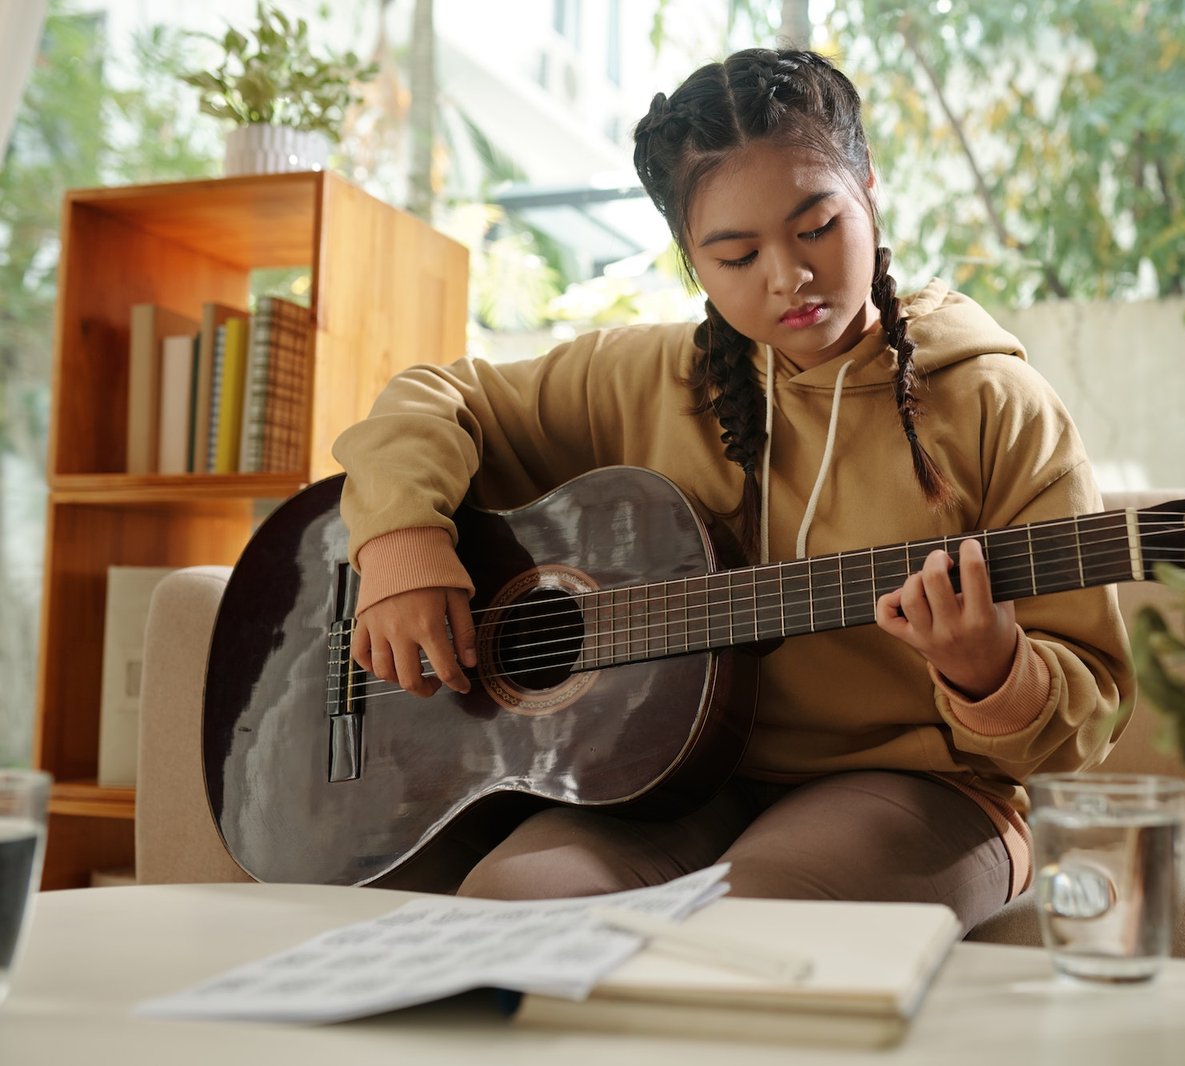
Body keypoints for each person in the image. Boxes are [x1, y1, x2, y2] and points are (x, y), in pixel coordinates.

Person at [332, 47, 1133, 934]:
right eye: (737, 253)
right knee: (503, 914)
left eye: (818, 226)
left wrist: (992, 671)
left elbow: (1087, 709)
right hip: (668, 779)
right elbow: (434, 397)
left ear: (867, 186)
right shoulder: (646, 377)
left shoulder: (996, 405)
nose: (787, 276)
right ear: (691, 261)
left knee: (760, 921)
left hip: (925, 787)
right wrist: (402, 548)